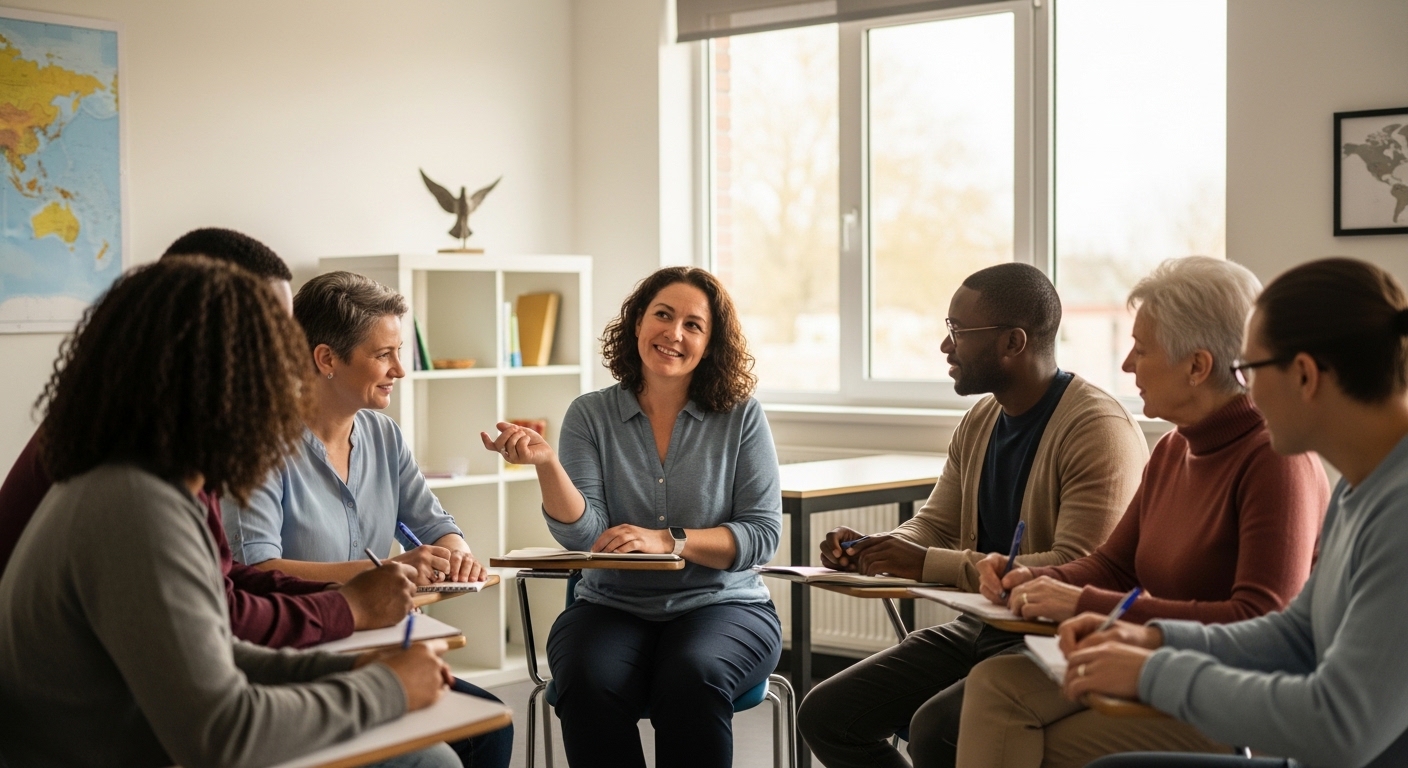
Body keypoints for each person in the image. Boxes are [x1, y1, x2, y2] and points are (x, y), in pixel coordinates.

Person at [0, 258, 457, 768]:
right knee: (430, 762)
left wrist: (355, 670)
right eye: (271, 369)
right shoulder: (137, 507)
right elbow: (224, 733)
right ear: (213, 381)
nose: (287, 390)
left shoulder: (140, 481)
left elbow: (214, 644)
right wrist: (386, 688)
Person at [953, 257, 1330, 768]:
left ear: (1197, 367)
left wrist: (1086, 603)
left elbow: (1262, 619)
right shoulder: (1176, 448)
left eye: (1142, 349)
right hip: (1156, 657)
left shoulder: (1274, 459)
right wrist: (1030, 577)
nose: (1127, 364)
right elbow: (1113, 565)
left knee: (1014, 739)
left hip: (1230, 695)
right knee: (995, 683)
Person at [797, 262, 1149, 768]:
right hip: (986, 626)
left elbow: (1077, 564)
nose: (946, 346)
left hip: (1058, 634)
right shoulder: (982, 418)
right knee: (827, 715)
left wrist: (922, 562)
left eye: (958, 332)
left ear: (1013, 343)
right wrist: (874, 548)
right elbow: (934, 525)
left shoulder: (1098, 430)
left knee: (937, 730)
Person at [1067, 257, 1408, 768]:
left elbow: (1339, 726)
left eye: (1248, 368)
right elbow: (1297, 634)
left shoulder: (1399, 512)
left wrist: (1152, 673)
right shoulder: (1359, 488)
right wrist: (1154, 637)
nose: (1243, 390)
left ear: (1305, 375)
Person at [0, 227, 410, 648]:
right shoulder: (134, 458)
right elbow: (221, 619)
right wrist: (349, 608)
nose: (285, 356)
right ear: (206, 328)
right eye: (266, 333)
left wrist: (340, 596)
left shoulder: (164, 422)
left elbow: (221, 579)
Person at [481, 266, 782, 768]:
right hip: (611, 605)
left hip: (724, 606)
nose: (674, 333)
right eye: (663, 315)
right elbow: (586, 535)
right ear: (638, 323)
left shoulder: (742, 416)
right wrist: (548, 465)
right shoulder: (589, 414)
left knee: (690, 674)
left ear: (710, 345)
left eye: (693, 325)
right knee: (586, 679)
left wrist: (670, 540)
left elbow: (762, 535)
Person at [222, 270, 511, 768]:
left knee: (490, 727)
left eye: (400, 352)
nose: (401, 369)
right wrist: (380, 576)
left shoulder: (384, 435)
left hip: (383, 646)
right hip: (301, 656)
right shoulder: (261, 445)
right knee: (443, 753)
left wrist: (456, 556)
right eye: (384, 355)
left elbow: (436, 525)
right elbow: (259, 572)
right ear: (326, 359)